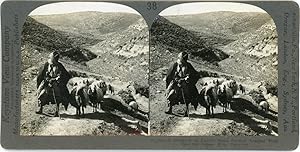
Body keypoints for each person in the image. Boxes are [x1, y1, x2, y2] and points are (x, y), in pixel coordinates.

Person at [36, 51, 71, 116]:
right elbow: (42, 74)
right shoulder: (46, 64)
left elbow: (64, 75)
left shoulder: (59, 66)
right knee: (41, 93)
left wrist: (57, 79)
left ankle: (57, 111)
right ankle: (40, 108)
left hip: (56, 83)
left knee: (59, 95)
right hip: (47, 83)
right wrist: (47, 79)